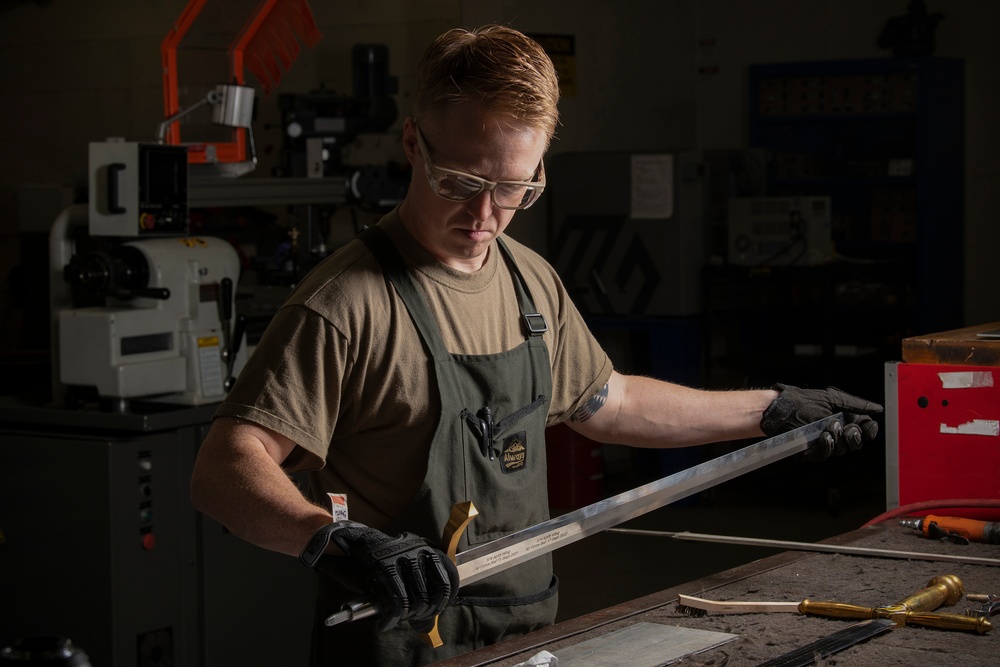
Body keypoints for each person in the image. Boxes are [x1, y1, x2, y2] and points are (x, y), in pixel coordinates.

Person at [190, 24, 883, 666]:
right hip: (402, 645)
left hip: (529, 636)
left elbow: (607, 401)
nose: (487, 214)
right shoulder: (345, 303)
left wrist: (772, 409)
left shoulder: (528, 281)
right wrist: (330, 537)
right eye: (462, 182)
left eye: (516, 187)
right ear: (411, 144)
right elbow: (224, 468)